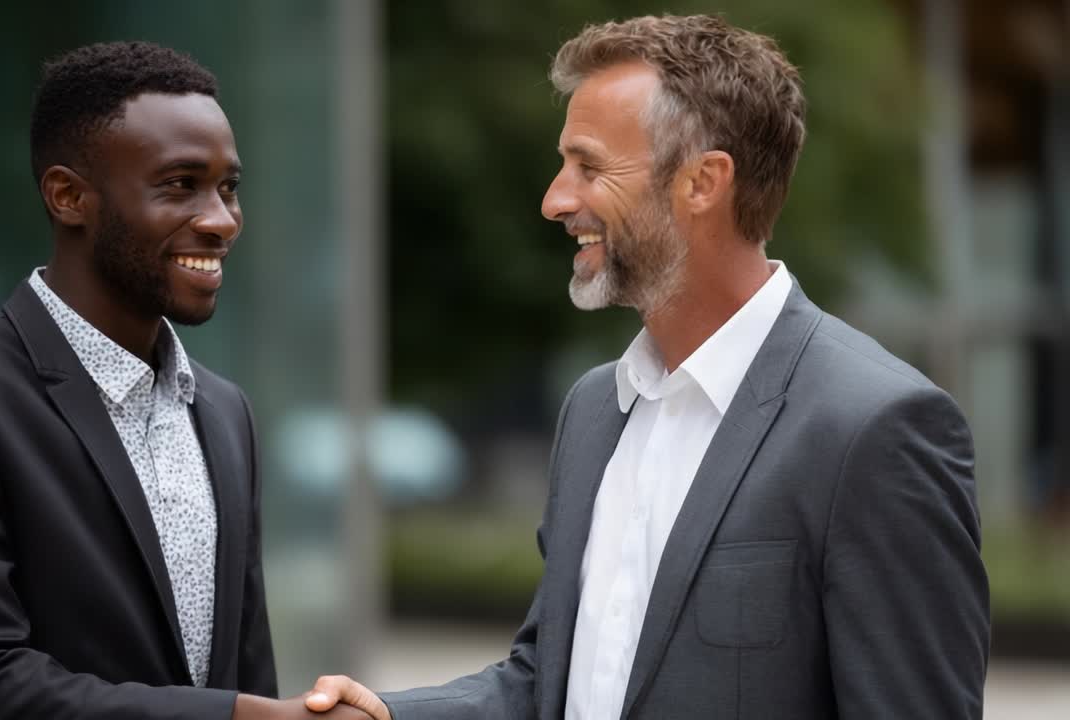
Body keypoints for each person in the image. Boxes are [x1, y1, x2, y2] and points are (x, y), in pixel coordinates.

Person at [306, 14, 990, 720]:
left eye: (590, 167)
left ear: (703, 182)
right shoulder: (594, 409)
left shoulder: (875, 427)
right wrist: (386, 715)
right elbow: (548, 681)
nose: (555, 200)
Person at [0, 41, 367, 720]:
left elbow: (245, 673)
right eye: (180, 184)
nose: (221, 220)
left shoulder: (224, 411)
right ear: (68, 196)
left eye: (228, 187)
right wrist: (240, 718)